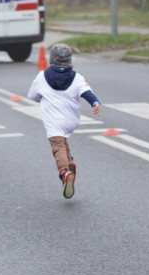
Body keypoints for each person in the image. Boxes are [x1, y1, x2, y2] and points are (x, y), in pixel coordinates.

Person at [27, 44, 101, 199]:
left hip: (54, 120)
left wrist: (43, 97)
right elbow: (87, 92)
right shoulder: (76, 77)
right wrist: (95, 103)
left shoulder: (42, 76)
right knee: (63, 139)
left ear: (52, 58)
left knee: (57, 146)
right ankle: (69, 160)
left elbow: (32, 96)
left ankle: (64, 172)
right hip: (71, 119)